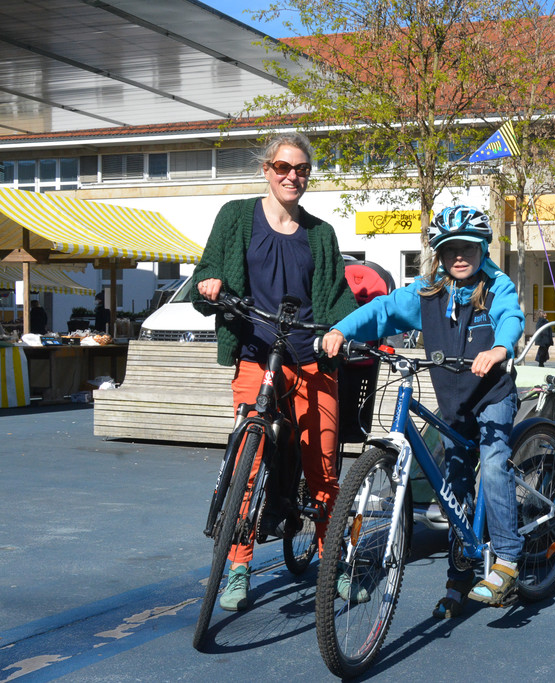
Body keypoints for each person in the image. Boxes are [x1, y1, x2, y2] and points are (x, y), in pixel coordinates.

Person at [324, 204, 525, 619]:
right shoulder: (428, 291)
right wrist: (342, 330)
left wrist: (500, 349)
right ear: (439, 252)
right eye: (450, 248)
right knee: (452, 485)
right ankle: (460, 577)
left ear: (482, 247)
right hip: (453, 402)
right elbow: (383, 311)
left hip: (492, 396)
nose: (459, 256)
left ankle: (506, 561)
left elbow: (511, 317)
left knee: (492, 465)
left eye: (468, 246)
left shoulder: (496, 284)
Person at [191, 131, 358, 612]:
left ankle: (336, 564)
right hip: (256, 356)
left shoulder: (320, 234)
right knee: (246, 464)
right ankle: (238, 565)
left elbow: (336, 296)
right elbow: (209, 267)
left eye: (301, 169)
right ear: (266, 170)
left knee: (323, 469)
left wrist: (344, 328)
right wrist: (211, 282)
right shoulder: (236, 217)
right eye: (283, 167)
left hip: (309, 358)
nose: (292, 176)